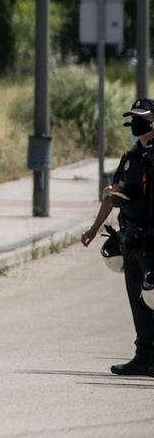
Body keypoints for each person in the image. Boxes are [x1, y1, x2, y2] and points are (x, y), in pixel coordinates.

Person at [80, 96, 154, 376]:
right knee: (137, 300)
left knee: (152, 297)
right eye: (134, 117)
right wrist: (93, 229)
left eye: (143, 117)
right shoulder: (131, 157)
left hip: (152, 239)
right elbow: (112, 196)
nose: (136, 123)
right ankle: (144, 356)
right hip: (132, 237)